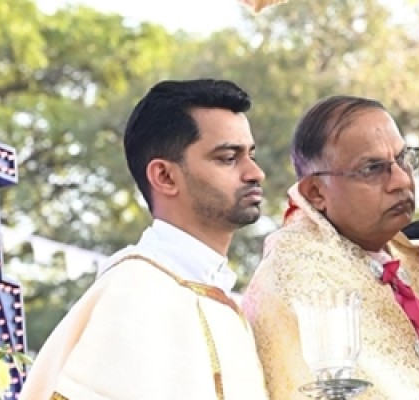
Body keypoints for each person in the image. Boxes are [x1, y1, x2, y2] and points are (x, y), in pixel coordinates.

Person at [20, 79, 270, 400]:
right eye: (227, 158)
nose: (255, 173)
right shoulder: (135, 292)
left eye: (251, 154)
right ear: (164, 177)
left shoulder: (225, 305)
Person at [241, 95, 419, 399]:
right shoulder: (295, 279)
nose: (401, 181)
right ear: (316, 192)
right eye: (372, 169)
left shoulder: (415, 258)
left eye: (404, 159)